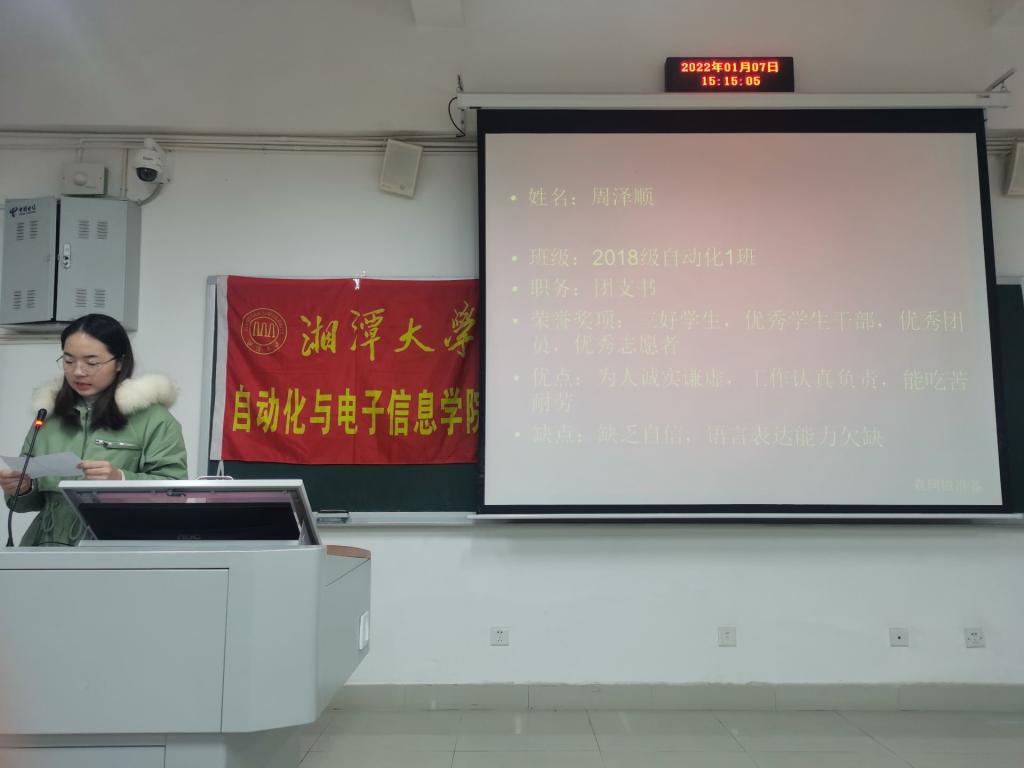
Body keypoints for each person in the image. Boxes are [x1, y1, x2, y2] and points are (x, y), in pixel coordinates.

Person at [0, 314, 187, 546]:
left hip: (116, 549)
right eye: (69, 361)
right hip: (46, 546)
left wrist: (120, 479)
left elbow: (175, 493)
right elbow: (25, 504)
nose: (78, 372)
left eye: (92, 363)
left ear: (119, 362)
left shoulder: (153, 419)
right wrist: (21, 489)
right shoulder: (48, 414)